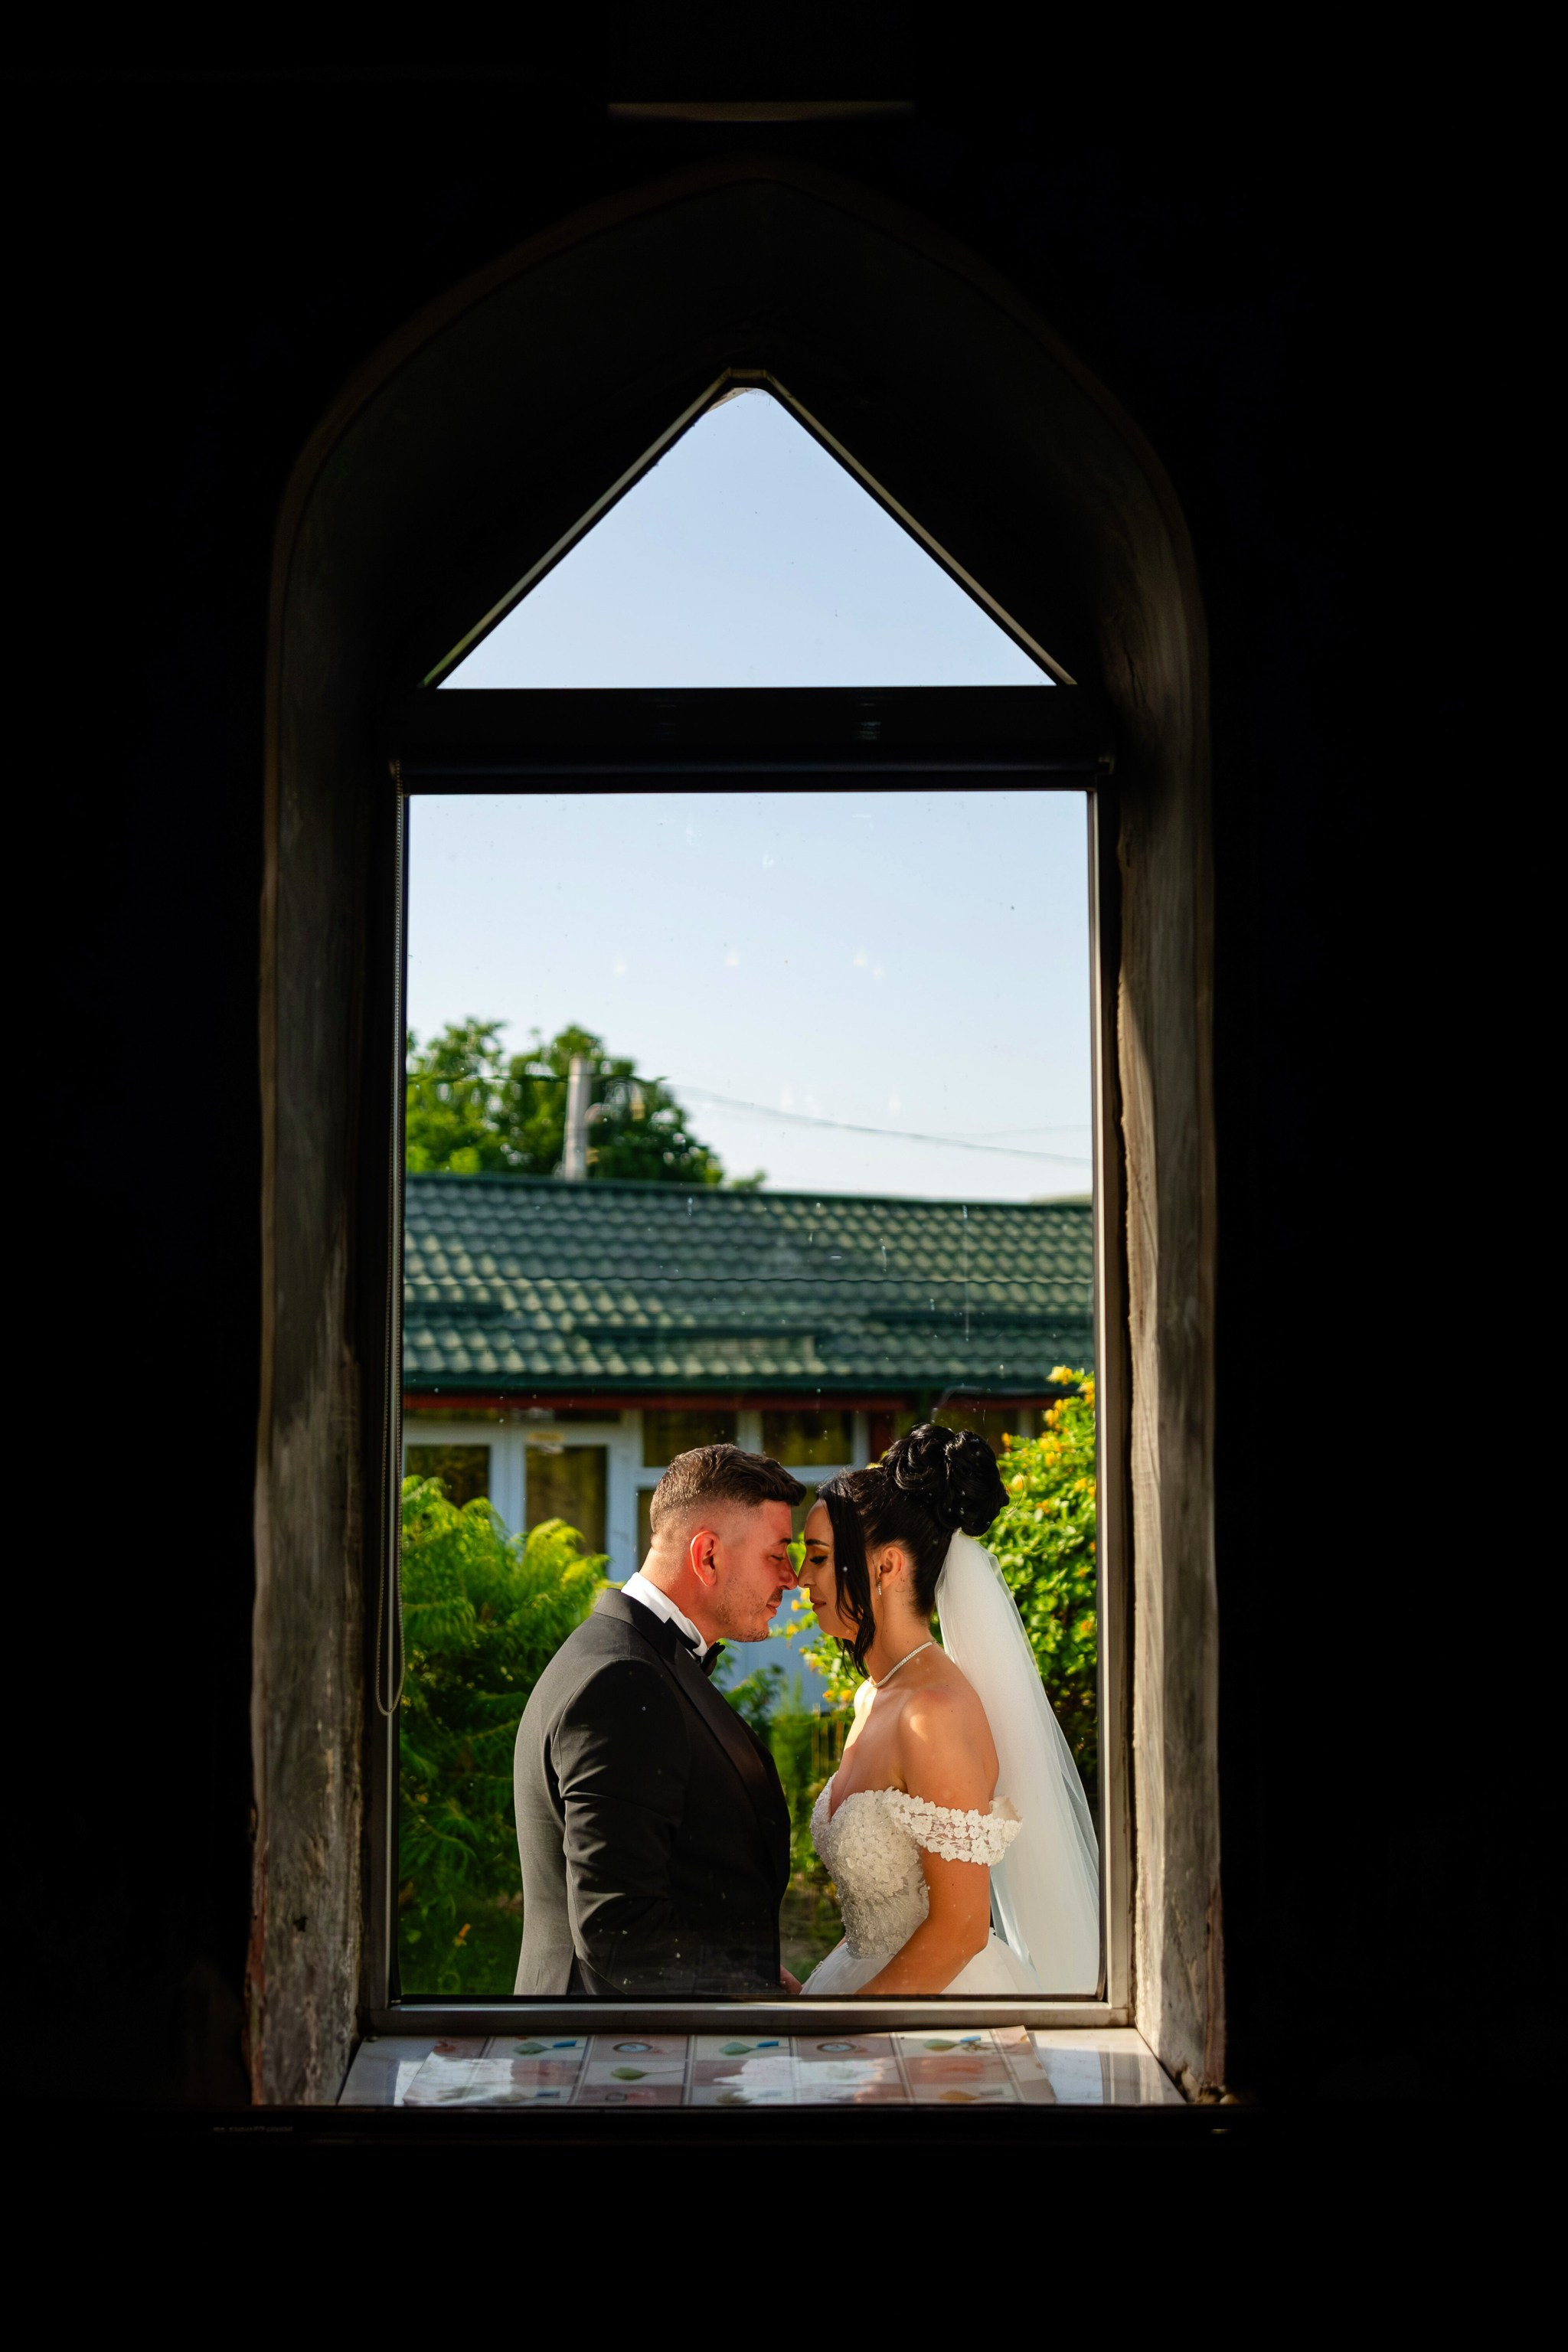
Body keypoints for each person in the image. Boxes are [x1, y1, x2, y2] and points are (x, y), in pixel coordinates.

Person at [798, 1423, 1101, 1996]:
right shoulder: (875, 1695)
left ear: (887, 1566)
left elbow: (962, 1929)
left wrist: (837, 2029)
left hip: (939, 2009)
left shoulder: (932, 1716)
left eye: (817, 1558)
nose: (799, 1579)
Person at [513, 1443, 805, 1995]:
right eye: (777, 1554)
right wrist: (751, 1987)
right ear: (709, 1555)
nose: (791, 1579)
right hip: (611, 2055)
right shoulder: (620, 1681)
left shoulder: (632, 1656)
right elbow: (618, 1931)